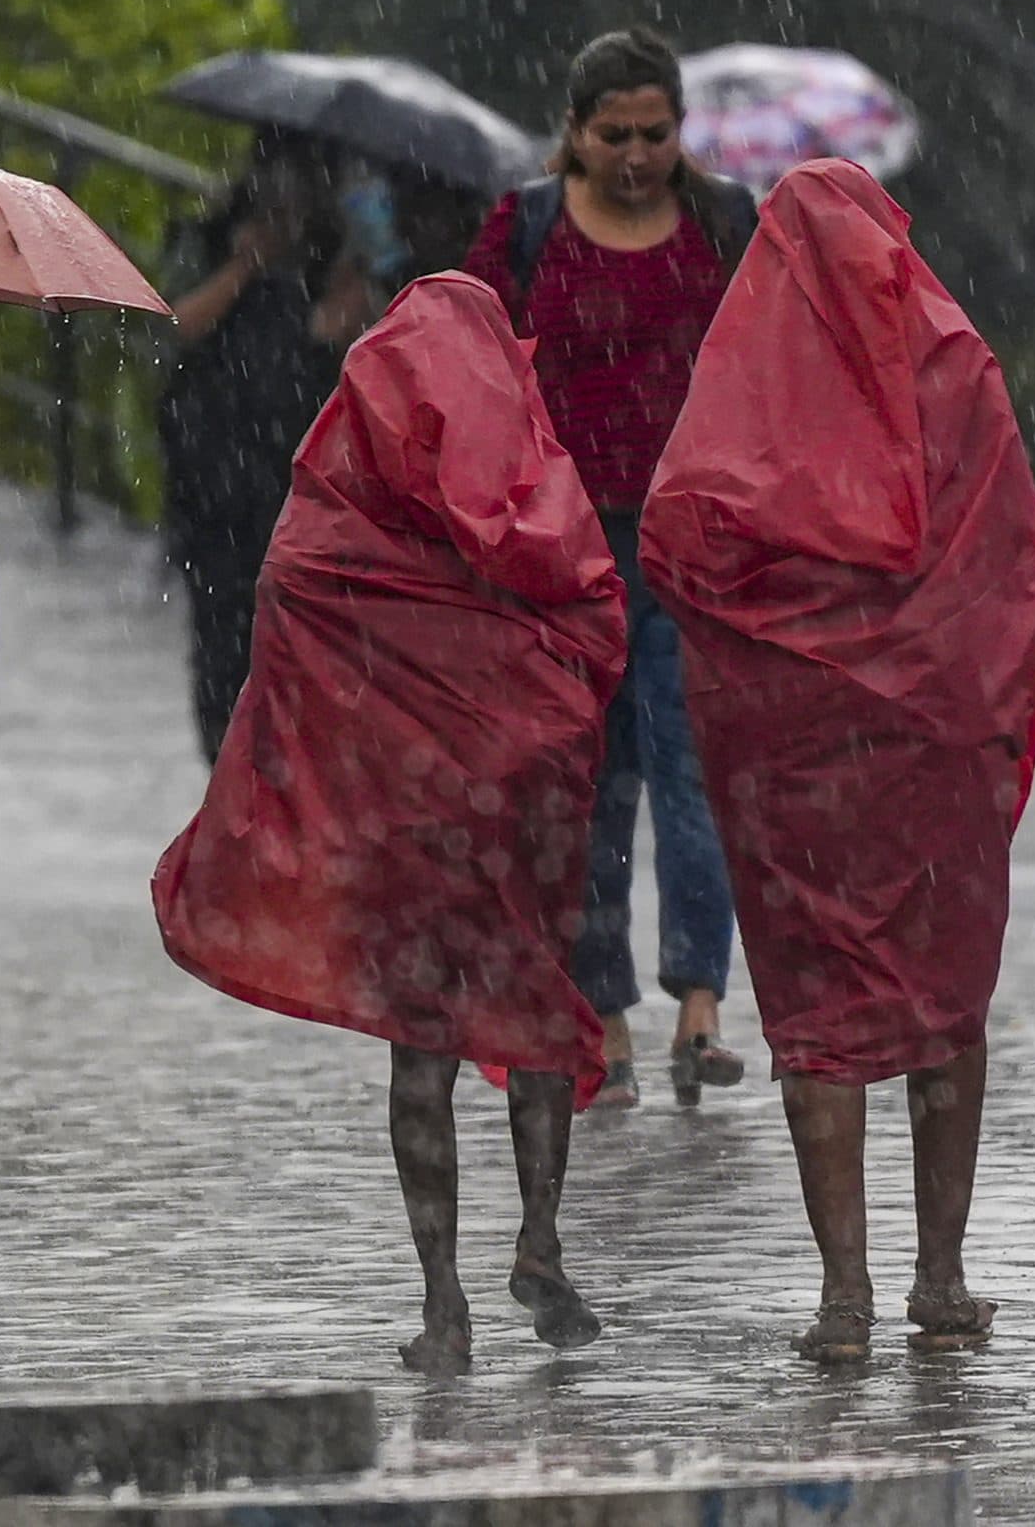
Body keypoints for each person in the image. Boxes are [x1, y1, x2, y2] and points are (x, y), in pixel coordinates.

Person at [155, 272, 625, 1378]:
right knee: (533, 1007)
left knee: (423, 1048)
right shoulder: (523, 465)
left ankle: (442, 1301)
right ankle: (541, 1238)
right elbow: (590, 605)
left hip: (400, 813)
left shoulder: (346, 482)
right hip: (512, 800)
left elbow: (289, 603)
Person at [639, 161, 1035, 1362]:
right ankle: (941, 1275)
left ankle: (844, 1295)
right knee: (944, 999)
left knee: (817, 1006)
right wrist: (962, 691)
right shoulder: (953, 364)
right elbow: (1014, 570)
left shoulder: (744, 386)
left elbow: (677, 548)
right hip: (933, 747)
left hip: (794, 758)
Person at [463, 25, 759, 1110]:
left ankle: (700, 1005)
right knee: (589, 784)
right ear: (574, 133)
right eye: (614, 135)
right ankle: (605, 1015)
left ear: (681, 131)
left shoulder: (726, 223)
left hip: (694, 542)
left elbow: (771, 357)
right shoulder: (526, 228)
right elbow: (469, 350)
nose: (636, 156)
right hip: (565, 548)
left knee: (693, 772)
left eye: (654, 134)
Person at [154, 134, 351, 764]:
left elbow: (347, 354)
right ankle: (227, 767)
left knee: (299, 650)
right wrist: (243, 266)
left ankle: (281, 772)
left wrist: (338, 309)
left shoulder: (336, 261)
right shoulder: (210, 241)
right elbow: (171, 326)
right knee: (220, 645)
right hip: (215, 488)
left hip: (299, 489)